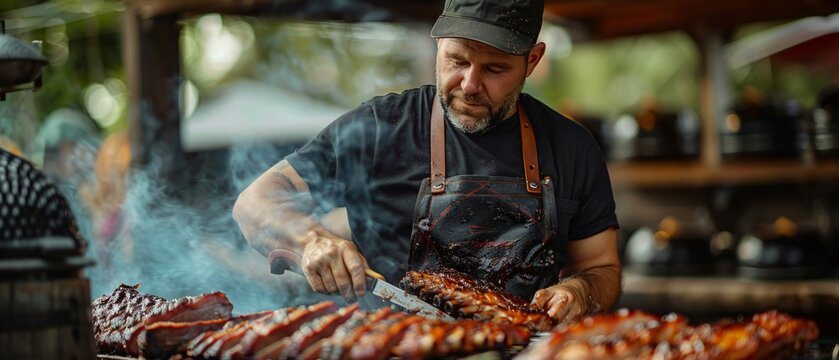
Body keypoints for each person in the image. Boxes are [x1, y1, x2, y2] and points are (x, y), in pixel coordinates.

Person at [233, 0, 621, 322]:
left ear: (532, 61)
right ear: (438, 45)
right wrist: (311, 240)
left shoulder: (572, 148)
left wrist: (581, 290)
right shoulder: (380, 128)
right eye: (457, 60)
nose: (469, 84)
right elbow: (255, 204)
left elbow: (602, 269)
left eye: (495, 69)